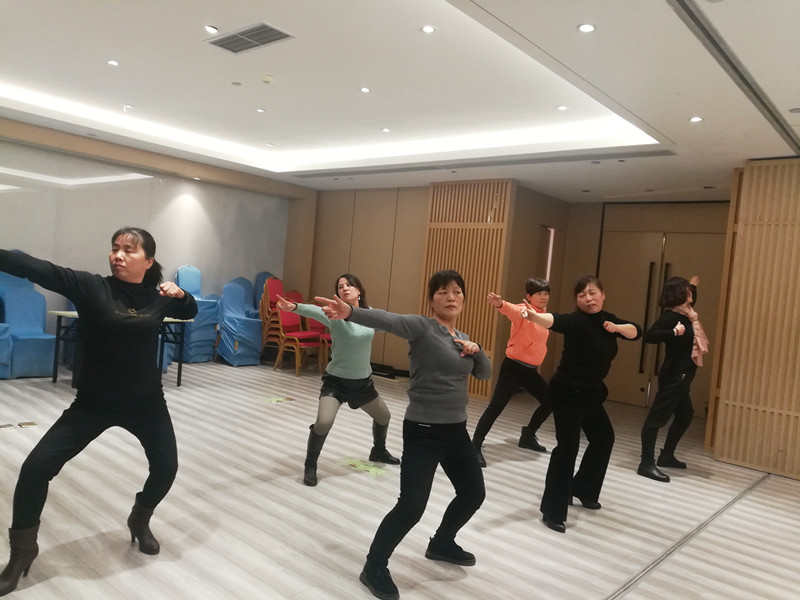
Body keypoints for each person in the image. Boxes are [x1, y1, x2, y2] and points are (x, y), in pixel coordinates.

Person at [0, 227, 198, 596]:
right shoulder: (91, 286)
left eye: (129, 250)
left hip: (145, 402)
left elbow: (190, 310)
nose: (118, 255)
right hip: (93, 403)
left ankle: (139, 519)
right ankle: (22, 552)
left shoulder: (159, 297)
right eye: (115, 248)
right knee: (35, 468)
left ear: (149, 261)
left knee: (166, 467)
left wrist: (182, 293)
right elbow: (32, 267)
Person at [316, 269, 491, 600]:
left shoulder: (463, 337)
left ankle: (442, 543)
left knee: (473, 494)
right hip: (423, 431)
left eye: (456, 291)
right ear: (431, 299)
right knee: (411, 505)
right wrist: (351, 312)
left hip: (456, 432)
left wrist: (477, 349)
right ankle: (373, 566)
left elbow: (484, 373)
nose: (450, 297)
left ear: (464, 299)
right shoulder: (422, 328)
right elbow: (387, 320)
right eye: (442, 292)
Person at [520, 275, 641, 534]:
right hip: (567, 392)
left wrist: (618, 328)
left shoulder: (608, 320)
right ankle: (552, 511)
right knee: (568, 448)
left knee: (604, 438)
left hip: (591, 393)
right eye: (582, 295)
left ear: (602, 294)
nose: (588, 298)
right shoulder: (576, 321)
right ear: (577, 300)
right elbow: (554, 320)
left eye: (592, 293)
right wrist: (532, 316)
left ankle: (582, 489)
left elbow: (636, 331)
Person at [275, 273, 400, 487]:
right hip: (336, 383)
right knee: (323, 422)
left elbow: (390, 322)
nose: (345, 288)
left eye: (349, 285)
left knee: (384, 417)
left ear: (359, 291)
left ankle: (378, 451)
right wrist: (293, 307)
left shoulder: (369, 315)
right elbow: (313, 310)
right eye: (340, 286)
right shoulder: (333, 313)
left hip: (363, 384)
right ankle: (310, 465)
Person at [472, 278, 553, 467]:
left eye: (546, 293)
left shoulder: (544, 316)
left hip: (530, 371)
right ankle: (474, 445)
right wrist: (500, 303)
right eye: (539, 293)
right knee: (496, 407)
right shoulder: (524, 311)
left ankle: (528, 435)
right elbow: (512, 309)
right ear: (529, 296)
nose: (543, 297)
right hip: (513, 368)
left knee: (550, 401)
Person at [637, 276, 707, 482]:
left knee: (685, 414)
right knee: (655, 420)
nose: (690, 294)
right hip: (675, 375)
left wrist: (693, 284)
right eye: (686, 291)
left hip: (684, 375)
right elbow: (650, 336)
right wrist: (674, 332)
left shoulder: (688, 313)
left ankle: (666, 455)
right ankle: (646, 463)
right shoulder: (671, 316)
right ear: (678, 294)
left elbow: (693, 297)